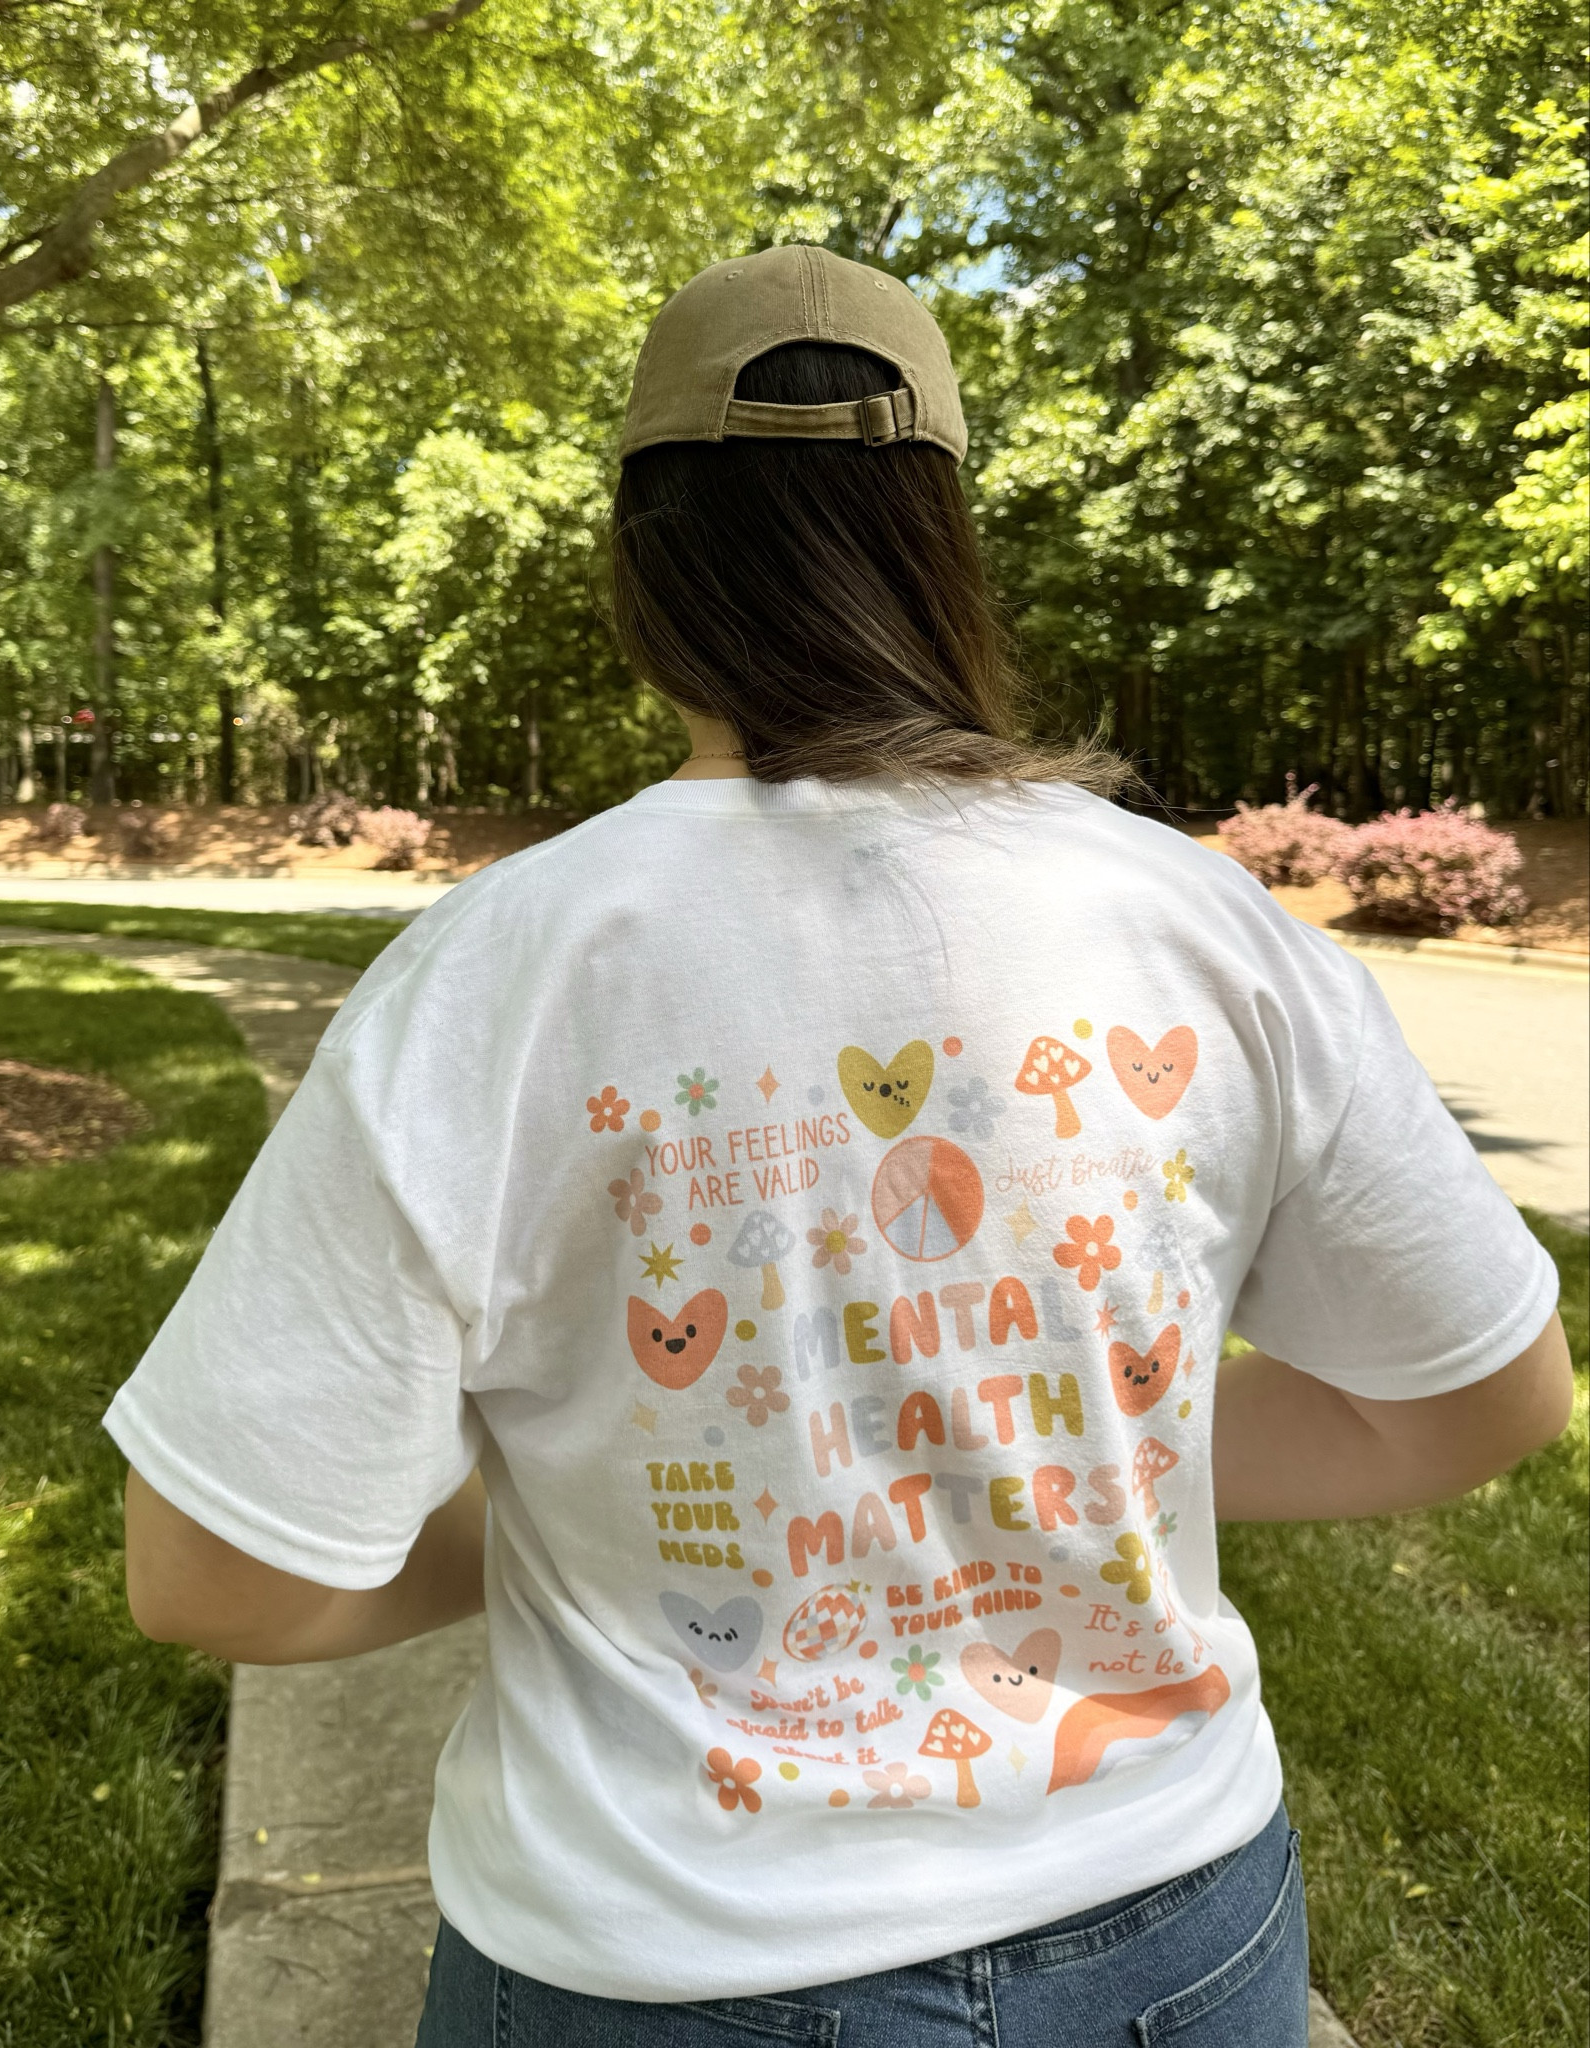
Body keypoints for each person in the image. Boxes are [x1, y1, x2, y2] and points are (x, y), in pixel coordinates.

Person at [112, 245, 1572, 2046]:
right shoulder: (1205, 927)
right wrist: (1053, 1466)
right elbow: (1476, 1401)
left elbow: (218, 1572)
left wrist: (603, 1515)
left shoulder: (498, 974)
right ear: (944, 544)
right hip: (1176, 1941)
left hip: (666, 1965)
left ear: (639, 566)